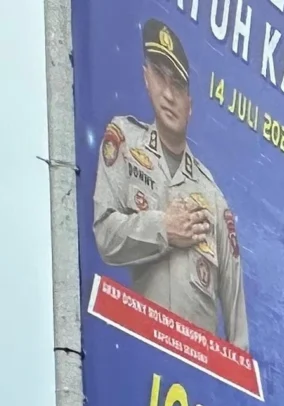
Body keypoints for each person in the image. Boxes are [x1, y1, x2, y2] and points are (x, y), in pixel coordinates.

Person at [91, 21, 247, 347]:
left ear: (190, 104)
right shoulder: (126, 141)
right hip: (141, 352)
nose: (168, 94)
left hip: (198, 368)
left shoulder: (213, 198)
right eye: (160, 76)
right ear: (146, 78)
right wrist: (163, 228)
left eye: (177, 84)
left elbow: (237, 327)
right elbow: (105, 235)